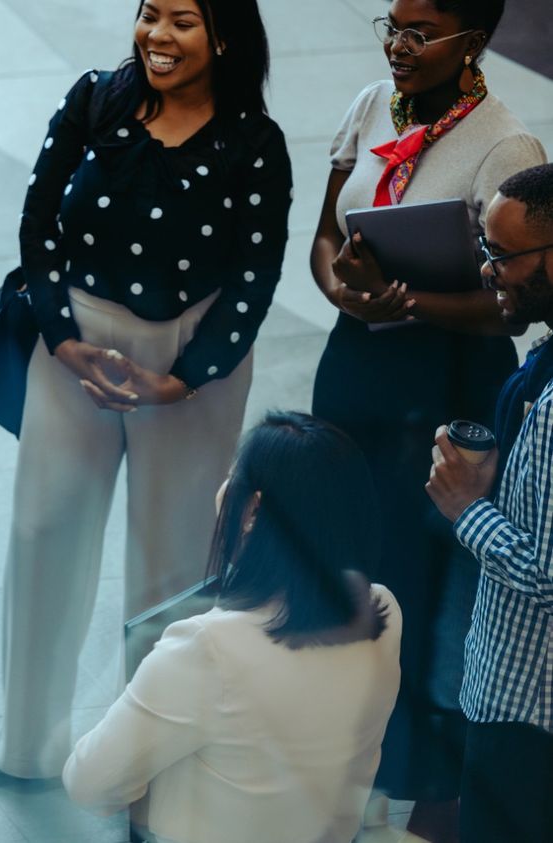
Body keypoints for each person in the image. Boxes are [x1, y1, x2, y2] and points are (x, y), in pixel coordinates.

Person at [0, 0, 291, 782]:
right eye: (149, 13)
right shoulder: (96, 99)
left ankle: (146, 768)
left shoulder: (254, 144)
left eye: (182, 21)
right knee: (41, 531)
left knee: (173, 562)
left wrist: (184, 378)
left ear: (224, 36)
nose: (157, 35)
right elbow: (38, 228)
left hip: (191, 363)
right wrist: (62, 339)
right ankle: (26, 745)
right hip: (77, 346)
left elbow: (256, 276)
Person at [308, 2, 545, 834]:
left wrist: (409, 302)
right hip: (357, 365)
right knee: (344, 560)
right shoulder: (372, 104)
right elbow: (326, 239)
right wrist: (350, 293)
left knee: (416, 583)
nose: (398, 48)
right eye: (392, 27)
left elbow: (510, 306)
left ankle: (414, 775)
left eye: (419, 33)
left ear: (472, 41)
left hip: (439, 380)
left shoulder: (507, 146)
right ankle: (342, 742)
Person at [64, 412, 402, 843]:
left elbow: (88, 784)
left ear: (253, 509)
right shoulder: (384, 609)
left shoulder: (207, 647)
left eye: (230, 477)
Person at [426, 163, 553, 843]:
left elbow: (548, 571)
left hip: (527, 710)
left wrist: (465, 504)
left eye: (501, 254)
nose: (487, 269)